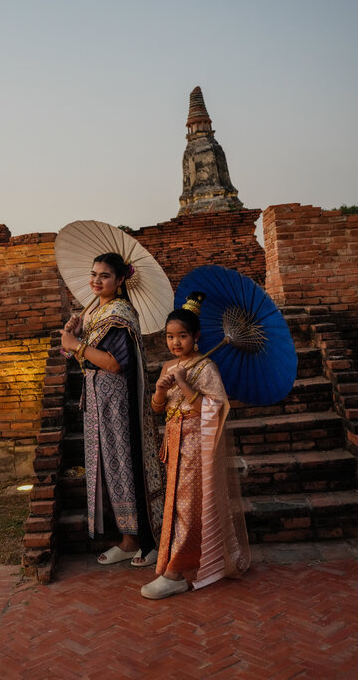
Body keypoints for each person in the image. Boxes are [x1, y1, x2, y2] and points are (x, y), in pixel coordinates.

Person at [141, 291, 250, 599]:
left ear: (196, 336)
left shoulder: (205, 368)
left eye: (182, 336)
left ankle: (177, 572)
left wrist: (185, 382)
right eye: (170, 337)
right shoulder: (168, 367)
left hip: (197, 446)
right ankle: (175, 564)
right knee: (175, 508)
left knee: (189, 508)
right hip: (174, 445)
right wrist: (162, 389)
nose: (176, 343)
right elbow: (158, 408)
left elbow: (214, 408)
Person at [60, 252, 164, 565]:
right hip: (96, 400)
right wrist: (74, 335)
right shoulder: (94, 313)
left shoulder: (120, 312)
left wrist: (77, 345)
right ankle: (127, 538)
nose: (96, 280)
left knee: (125, 465)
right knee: (109, 468)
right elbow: (83, 356)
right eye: (93, 274)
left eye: (104, 275)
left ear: (120, 281)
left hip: (117, 402)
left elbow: (115, 364)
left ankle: (144, 539)